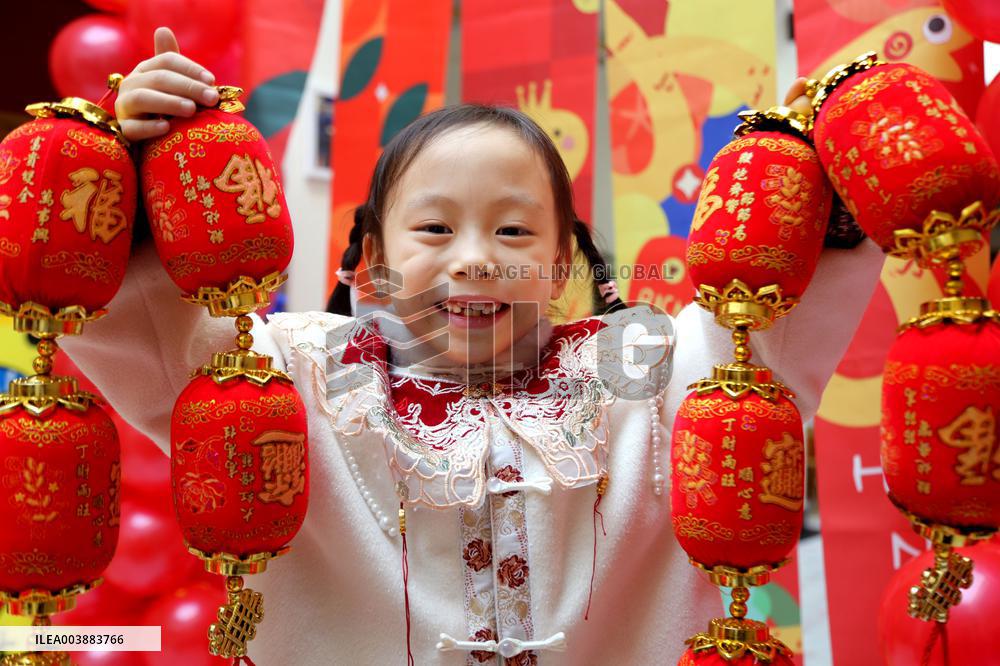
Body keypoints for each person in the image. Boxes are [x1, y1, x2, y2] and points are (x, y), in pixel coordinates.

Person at [62, 26, 885, 665]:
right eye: (434, 227)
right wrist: (147, 170)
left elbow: (767, 326)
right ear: (375, 261)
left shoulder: (652, 371)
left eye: (515, 228)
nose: (475, 255)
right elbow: (147, 330)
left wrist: (829, 151)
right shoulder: (290, 372)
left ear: (563, 260)